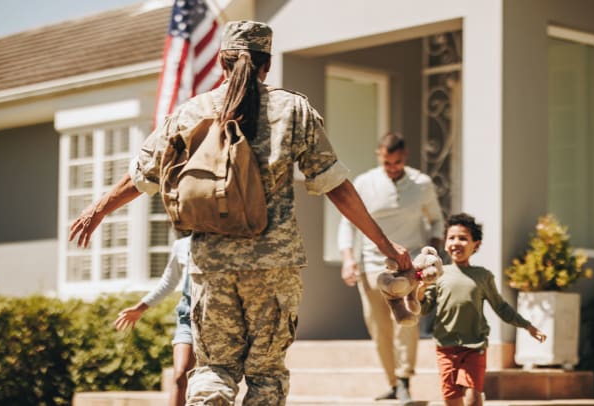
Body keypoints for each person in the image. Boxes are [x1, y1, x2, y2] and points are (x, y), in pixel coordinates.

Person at [69, 20, 411, 406]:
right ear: (267, 64)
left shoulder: (191, 111)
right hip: (274, 267)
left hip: (210, 266)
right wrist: (385, 244)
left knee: (214, 370)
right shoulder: (292, 109)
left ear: (221, 62)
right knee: (266, 375)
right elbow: (335, 186)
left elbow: (141, 176)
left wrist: (97, 210)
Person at [337, 132, 445, 403]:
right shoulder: (364, 182)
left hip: (409, 267)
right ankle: (393, 382)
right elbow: (347, 224)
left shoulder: (422, 183)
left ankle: (405, 379)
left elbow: (436, 221)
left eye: (397, 162)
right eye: (387, 162)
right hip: (372, 266)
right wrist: (348, 259)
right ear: (379, 156)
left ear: (404, 157)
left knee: (407, 321)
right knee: (379, 326)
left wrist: (431, 250)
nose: (392, 167)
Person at [417, 213, 547, 406]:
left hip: (474, 346)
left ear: (475, 245)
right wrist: (420, 291)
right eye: (451, 238)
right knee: (452, 399)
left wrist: (528, 326)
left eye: (463, 238)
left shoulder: (483, 276)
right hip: (445, 347)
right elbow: (424, 308)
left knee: (472, 398)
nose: (456, 243)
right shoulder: (439, 274)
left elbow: (501, 307)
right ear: (445, 243)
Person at [114, 236, 193, 406]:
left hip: (222, 320)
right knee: (180, 374)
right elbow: (168, 281)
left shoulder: (227, 240)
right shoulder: (182, 245)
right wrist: (140, 307)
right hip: (189, 318)